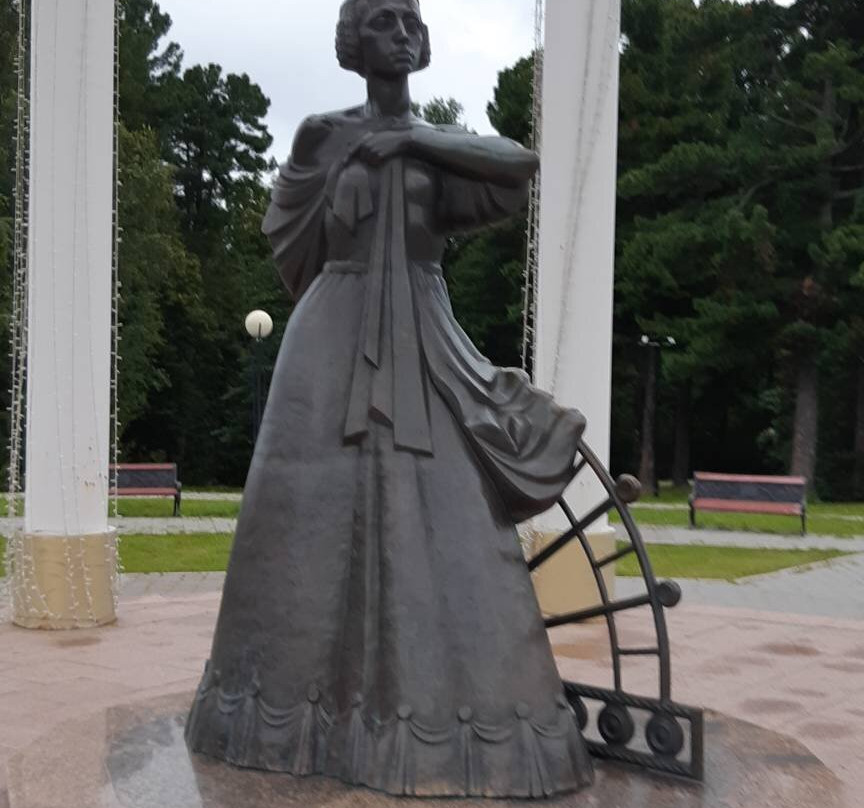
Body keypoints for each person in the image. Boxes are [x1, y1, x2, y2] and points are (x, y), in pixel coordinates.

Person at [185, 0, 594, 798]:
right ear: (352, 41)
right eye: (381, 19)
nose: (401, 32)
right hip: (326, 343)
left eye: (411, 19)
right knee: (303, 531)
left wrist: (411, 139)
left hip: (422, 333)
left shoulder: (439, 154)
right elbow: (289, 240)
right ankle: (287, 718)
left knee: (452, 510)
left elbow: (519, 163)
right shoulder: (319, 136)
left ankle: (457, 723)